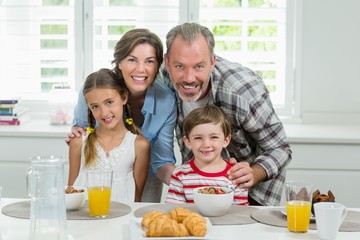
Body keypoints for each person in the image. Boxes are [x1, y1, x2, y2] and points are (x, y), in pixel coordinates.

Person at [160, 22, 292, 206]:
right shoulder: (160, 79)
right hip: (197, 185)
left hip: (250, 186)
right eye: (180, 66)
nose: (189, 78)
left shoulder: (244, 92)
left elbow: (280, 148)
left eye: (199, 66)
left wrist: (255, 172)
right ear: (167, 62)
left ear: (212, 61)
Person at [66, 29, 178, 202]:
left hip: (146, 177)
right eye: (132, 60)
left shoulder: (166, 100)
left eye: (149, 61)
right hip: (95, 179)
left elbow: (162, 160)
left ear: (158, 64)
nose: (141, 69)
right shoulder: (96, 89)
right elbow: (82, 129)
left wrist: (189, 184)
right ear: (119, 62)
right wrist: (76, 134)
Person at [66, 68, 150, 202]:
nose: (104, 113)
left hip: (121, 220)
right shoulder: (78, 143)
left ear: (124, 97)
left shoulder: (139, 146)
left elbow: (136, 200)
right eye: (95, 106)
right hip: (83, 220)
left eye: (109, 102)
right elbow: (70, 195)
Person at [165, 105, 248, 205]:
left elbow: (240, 213)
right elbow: (175, 212)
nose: (206, 145)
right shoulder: (179, 174)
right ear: (187, 141)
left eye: (214, 137)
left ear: (226, 140)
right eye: (198, 138)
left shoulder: (236, 175)